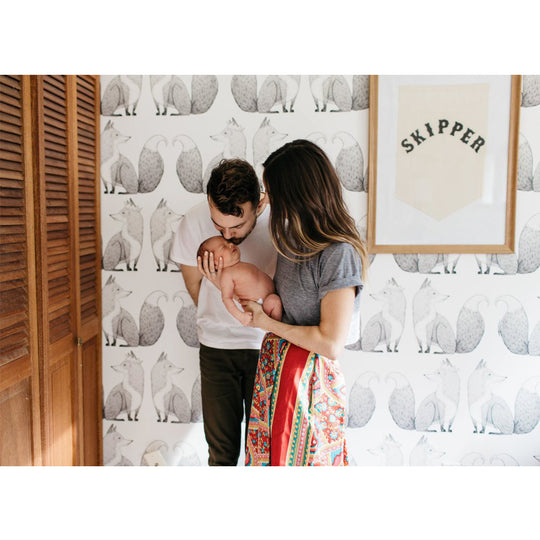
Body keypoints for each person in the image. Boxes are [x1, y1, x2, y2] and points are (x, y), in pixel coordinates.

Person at [241, 139, 369, 466]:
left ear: (294, 195)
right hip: (276, 371)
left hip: (310, 384)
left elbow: (330, 343)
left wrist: (266, 323)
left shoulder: (339, 254)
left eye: (272, 192)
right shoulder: (290, 244)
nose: (268, 201)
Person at [170, 159, 276, 466]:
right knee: (221, 454)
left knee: (265, 450)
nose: (227, 236)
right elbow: (194, 284)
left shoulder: (278, 220)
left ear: (258, 204)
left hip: (267, 347)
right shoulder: (193, 221)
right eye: (219, 226)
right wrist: (222, 300)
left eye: (238, 226)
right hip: (216, 349)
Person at [196, 235, 282, 326]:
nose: (230, 245)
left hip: (269, 299)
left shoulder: (240, 266)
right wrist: (240, 316)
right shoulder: (227, 276)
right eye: (223, 247)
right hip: (261, 306)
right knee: (274, 301)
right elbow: (226, 299)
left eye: (229, 242)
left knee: (275, 301)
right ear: (215, 264)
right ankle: (276, 329)